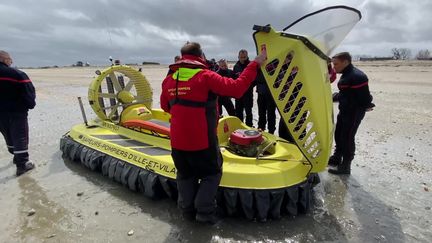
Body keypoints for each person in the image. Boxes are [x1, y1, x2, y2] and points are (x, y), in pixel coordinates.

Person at [160, 42, 266, 224]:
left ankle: (187, 211)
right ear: (201, 56)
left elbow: (165, 106)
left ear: (182, 57)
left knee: (185, 175)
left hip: (177, 142)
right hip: (203, 142)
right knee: (212, 174)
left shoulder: (169, 80)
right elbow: (237, 88)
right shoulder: (206, 76)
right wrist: (255, 63)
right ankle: (204, 213)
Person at [328, 52, 374, 175]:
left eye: (336, 64)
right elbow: (345, 94)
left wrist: (367, 105)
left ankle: (346, 166)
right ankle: (337, 158)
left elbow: (364, 97)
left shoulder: (358, 76)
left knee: (347, 137)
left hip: (354, 112)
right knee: (338, 134)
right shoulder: (346, 74)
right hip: (345, 110)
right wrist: (331, 97)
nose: (334, 67)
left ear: (345, 62)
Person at [0, 50, 36, 176]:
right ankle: (22, 165)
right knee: (20, 136)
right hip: (17, 112)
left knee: (7, 134)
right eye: (10, 59)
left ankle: (15, 155)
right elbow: (28, 92)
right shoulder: (16, 74)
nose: (11, 61)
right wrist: (30, 105)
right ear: (4, 59)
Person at [233, 49, 255, 127]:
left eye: (244, 57)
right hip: (239, 94)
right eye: (241, 57)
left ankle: (249, 127)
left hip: (248, 93)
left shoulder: (250, 66)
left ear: (247, 57)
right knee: (239, 112)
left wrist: (250, 86)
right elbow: (234, 79)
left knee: (248, 112)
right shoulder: (236, 66)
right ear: (238, 57)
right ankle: (240, 126)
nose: (242, 59)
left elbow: (254, 79)